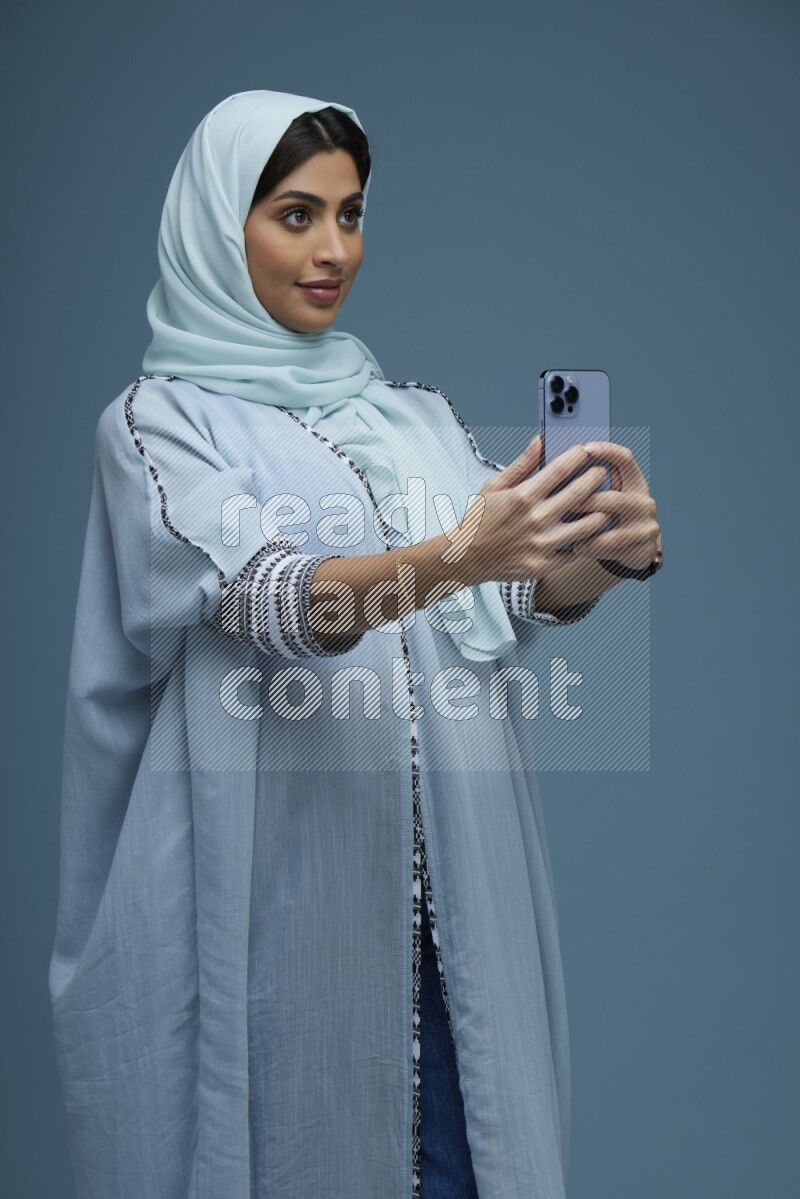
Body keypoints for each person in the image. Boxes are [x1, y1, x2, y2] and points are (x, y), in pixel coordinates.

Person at [48, 90, 662, 1199]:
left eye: (351, 214)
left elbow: (513, 598)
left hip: (453, 910)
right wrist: (458, 556)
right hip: (282, 909)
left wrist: (607, 557)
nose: (335, 250)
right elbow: (273, 601)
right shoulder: (158, 424)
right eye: (296, 215)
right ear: (217, 227)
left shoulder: (409, 416)